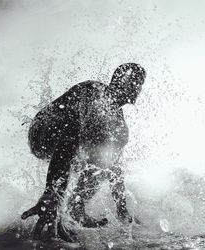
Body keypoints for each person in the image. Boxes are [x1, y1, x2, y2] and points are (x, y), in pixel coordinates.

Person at [21, 63, 146, 242]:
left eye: (140, 83)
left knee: (107, 160)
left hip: (67, 140)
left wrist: (122, 209)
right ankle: (51, 200)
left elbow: (115, 168)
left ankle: (77, 206)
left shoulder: (118, 126)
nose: (137, 88)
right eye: (134, 81)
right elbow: (69, 138)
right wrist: (51, 192)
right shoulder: (93, 92)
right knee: (75, 128)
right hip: (43, 132)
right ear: (119, 81)